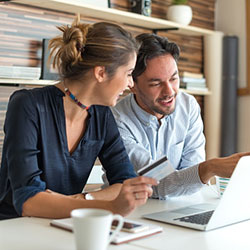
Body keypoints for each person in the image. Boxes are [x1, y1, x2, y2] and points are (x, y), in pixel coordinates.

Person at [0, 18, 157, 220]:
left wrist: (84, 200)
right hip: (14, 229)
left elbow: (125, 182)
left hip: (65, 224)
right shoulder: (28, 105)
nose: (130, 84)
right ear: (101, 73)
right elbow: (28, 200)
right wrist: (111, 208)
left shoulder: (102, 115)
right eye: (128, 73)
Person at [111, 33, 250, 199]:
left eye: (173, 78)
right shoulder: (117, 120)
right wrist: (211, 167)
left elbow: (192, 171)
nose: (169, 91)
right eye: (156, 83)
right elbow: (158, 183)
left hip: (179, 204)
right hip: (129, 211)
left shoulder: (187, 106)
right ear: (132, 84)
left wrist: (202, 171)